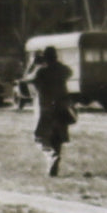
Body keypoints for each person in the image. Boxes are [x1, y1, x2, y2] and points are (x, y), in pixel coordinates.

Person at [30, 46, 75, 177]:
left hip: (45, 108)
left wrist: (33, 64)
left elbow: (27, 80)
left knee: (40, 137)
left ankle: (51, 156)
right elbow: (69, 71)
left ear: (45, 58)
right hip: (61, 107)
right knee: (57, 138)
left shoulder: (41, 72)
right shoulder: (64, 70)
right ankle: (53, 168)